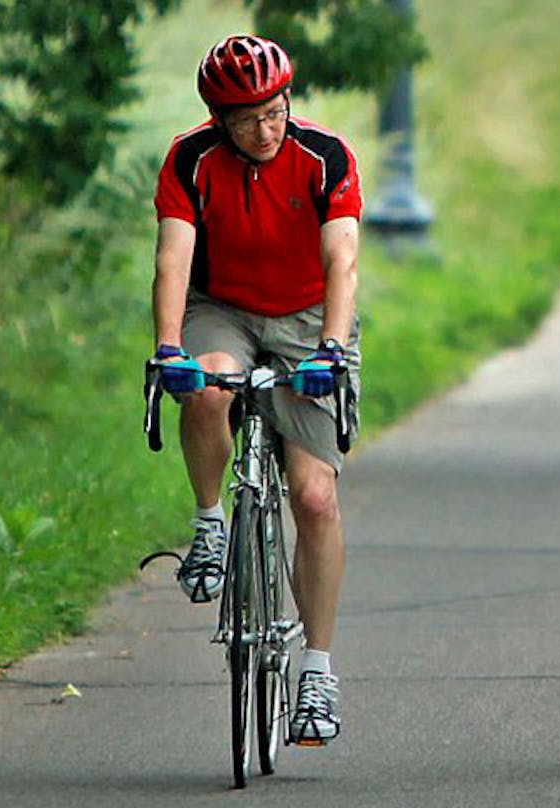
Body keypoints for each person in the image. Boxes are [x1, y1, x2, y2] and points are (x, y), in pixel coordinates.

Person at [149, 34, 362, 746]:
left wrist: (332, 348)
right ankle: (211, 525)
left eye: (274, 113)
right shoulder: (191, 160)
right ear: (217, 119)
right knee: (207, 388)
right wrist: (169, 347)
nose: (265, 130)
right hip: (225, 308)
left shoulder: (324, 155)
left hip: (307, 316)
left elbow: (343, 259)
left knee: (315, 496)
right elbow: (173, 259)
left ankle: (318, 673)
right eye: (246, 120)